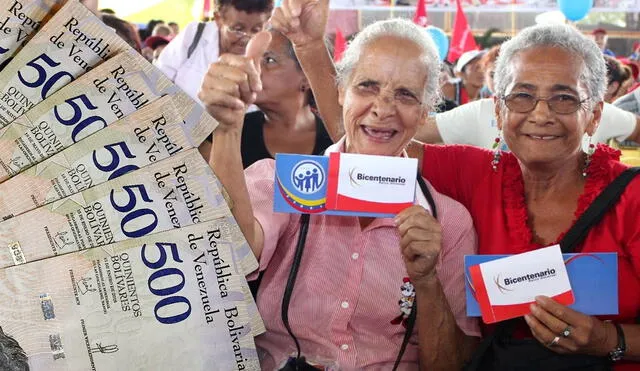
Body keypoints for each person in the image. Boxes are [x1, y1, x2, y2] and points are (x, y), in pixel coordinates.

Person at [280, 1, 640, 368]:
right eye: (522, 96)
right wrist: (309, 47)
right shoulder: (475, 175)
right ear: (498, 111)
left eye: (564, 99)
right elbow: (369, 136)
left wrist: (611, 340)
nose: (541, 114)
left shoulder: (632, 198)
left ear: (594, 115)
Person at [199, 18, 480, 371]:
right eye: (367, 87)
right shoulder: (282, 182)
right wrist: (227, 130)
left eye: (405, 95)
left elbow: (453, 365)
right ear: (341, 92)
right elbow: (233, 253)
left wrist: (427, 282)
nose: (382, 108)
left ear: (425, 111)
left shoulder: (449, 222)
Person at [199, 30, 333, 170]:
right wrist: (224, 131)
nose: (252, 69)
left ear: (306, 76)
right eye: (250, 60)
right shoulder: (227, 129)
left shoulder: (335, 141)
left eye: (269, 61)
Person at [155, 0, 273, 104]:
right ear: (218, 19)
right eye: (238, 29)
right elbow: (158, 82)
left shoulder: (269, 59)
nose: (247, 38)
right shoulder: (194, 35)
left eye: (256, 30)